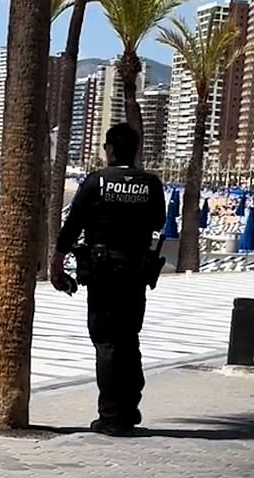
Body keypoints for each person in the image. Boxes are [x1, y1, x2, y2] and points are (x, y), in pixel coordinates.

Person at [50, 123, 166, 437]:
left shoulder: (97, 182)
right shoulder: (151, 184)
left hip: (103, 272)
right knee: (129, 337)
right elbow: (159, 221)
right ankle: (129, 407)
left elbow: (72, 226)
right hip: (136, 272)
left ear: (111, 150)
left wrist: (56, 265)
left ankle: (112, 414)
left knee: (106, 341)